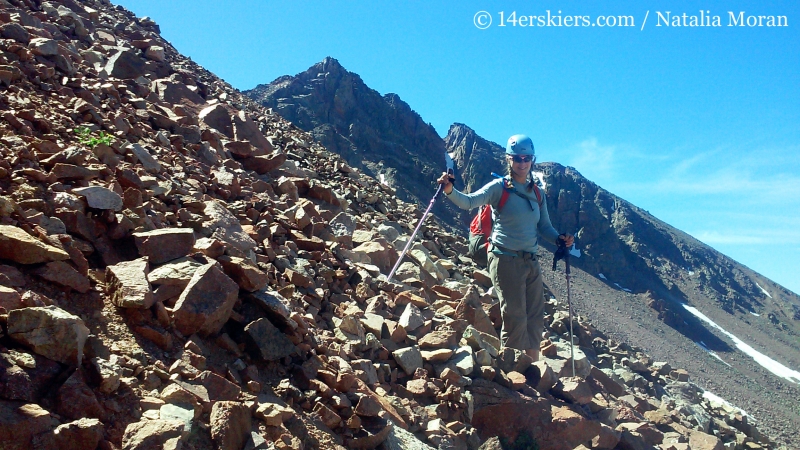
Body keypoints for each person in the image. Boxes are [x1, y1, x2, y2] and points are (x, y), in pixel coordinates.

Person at [438, 134, 574, 361]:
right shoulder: (499, 187)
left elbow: (545, 226)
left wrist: (559, 239)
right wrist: (450, 190)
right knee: (515, 315)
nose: (522, 163)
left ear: (532, 159)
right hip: (504, 258)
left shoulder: (537, 193)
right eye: (517, 158)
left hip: (530, 261)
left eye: (527, 158)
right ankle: (513, 370)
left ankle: (531, 368)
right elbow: (469, 202)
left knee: (534, 316)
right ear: (509, 159)